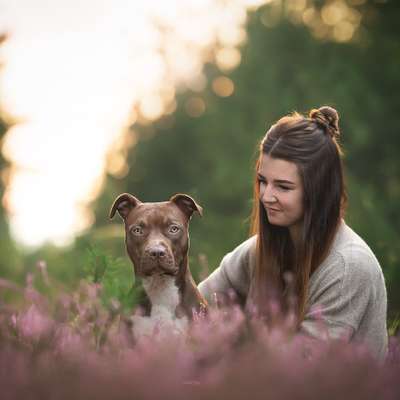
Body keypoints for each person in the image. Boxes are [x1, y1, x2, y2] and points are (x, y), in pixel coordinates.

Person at [198, 106, 388, 360]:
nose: (266, 196)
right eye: (263, 181)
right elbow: (195, 307)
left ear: (318, 191)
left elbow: (298, 375)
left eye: (283, 187)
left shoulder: (348, 267)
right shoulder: (259, 251)